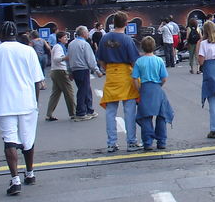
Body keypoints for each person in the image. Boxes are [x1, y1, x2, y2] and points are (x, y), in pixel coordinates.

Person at [0, 21, 46, 194]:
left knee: (9, 140)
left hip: (5, 102)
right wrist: (35, 102)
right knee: (28, 139)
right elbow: (37, 80)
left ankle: (15, 179)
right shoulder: (28, 50)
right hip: (26, 100)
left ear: (2, 35)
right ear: (16, 34)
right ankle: (30, 172)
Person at [96, 12, 141, 153]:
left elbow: (100, 59)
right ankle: (131, 142)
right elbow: (134, 61)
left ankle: (111, 143)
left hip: (111, 75)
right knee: (129, 111)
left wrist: (107, 69)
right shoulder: (127, 40)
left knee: (110, 111)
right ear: (126, 24)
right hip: (126, 76)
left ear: (113, 22)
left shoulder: (104, 38)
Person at [132, 36, 174, 151]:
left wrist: (139, 90)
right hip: (157, 89)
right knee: (161, 115)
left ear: (142, 47)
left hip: (145, 89)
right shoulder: (159, 60)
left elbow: (135, 78)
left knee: (145, 117)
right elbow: (164, 78)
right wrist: (159, 85)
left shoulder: (139, 61)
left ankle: (148, 142)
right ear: (154, 47)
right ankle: (161, 141)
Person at [67, 26, 99, 121]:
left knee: (85, 89)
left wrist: (70, 71)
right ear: (83, 33)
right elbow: (90, 59)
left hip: (75, 69)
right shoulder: (84, 44)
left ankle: (89, 110)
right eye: (87, 32)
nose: (88, 34)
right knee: (83, 91)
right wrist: (96, 70)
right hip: (83, 69)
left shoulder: (71, 44)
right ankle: (81, 112)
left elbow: (69, 58)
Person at [45, 31, 78, 122]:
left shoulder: (57, 47)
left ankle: (49, 114)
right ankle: (73, 113)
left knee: (55, 93)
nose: (66, 39)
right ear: (59, 38)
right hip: (60, 71)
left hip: (55, 71)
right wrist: (65, 58)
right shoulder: (59, 47)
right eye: (64, 37)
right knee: (69, 92)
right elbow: (56, 59)